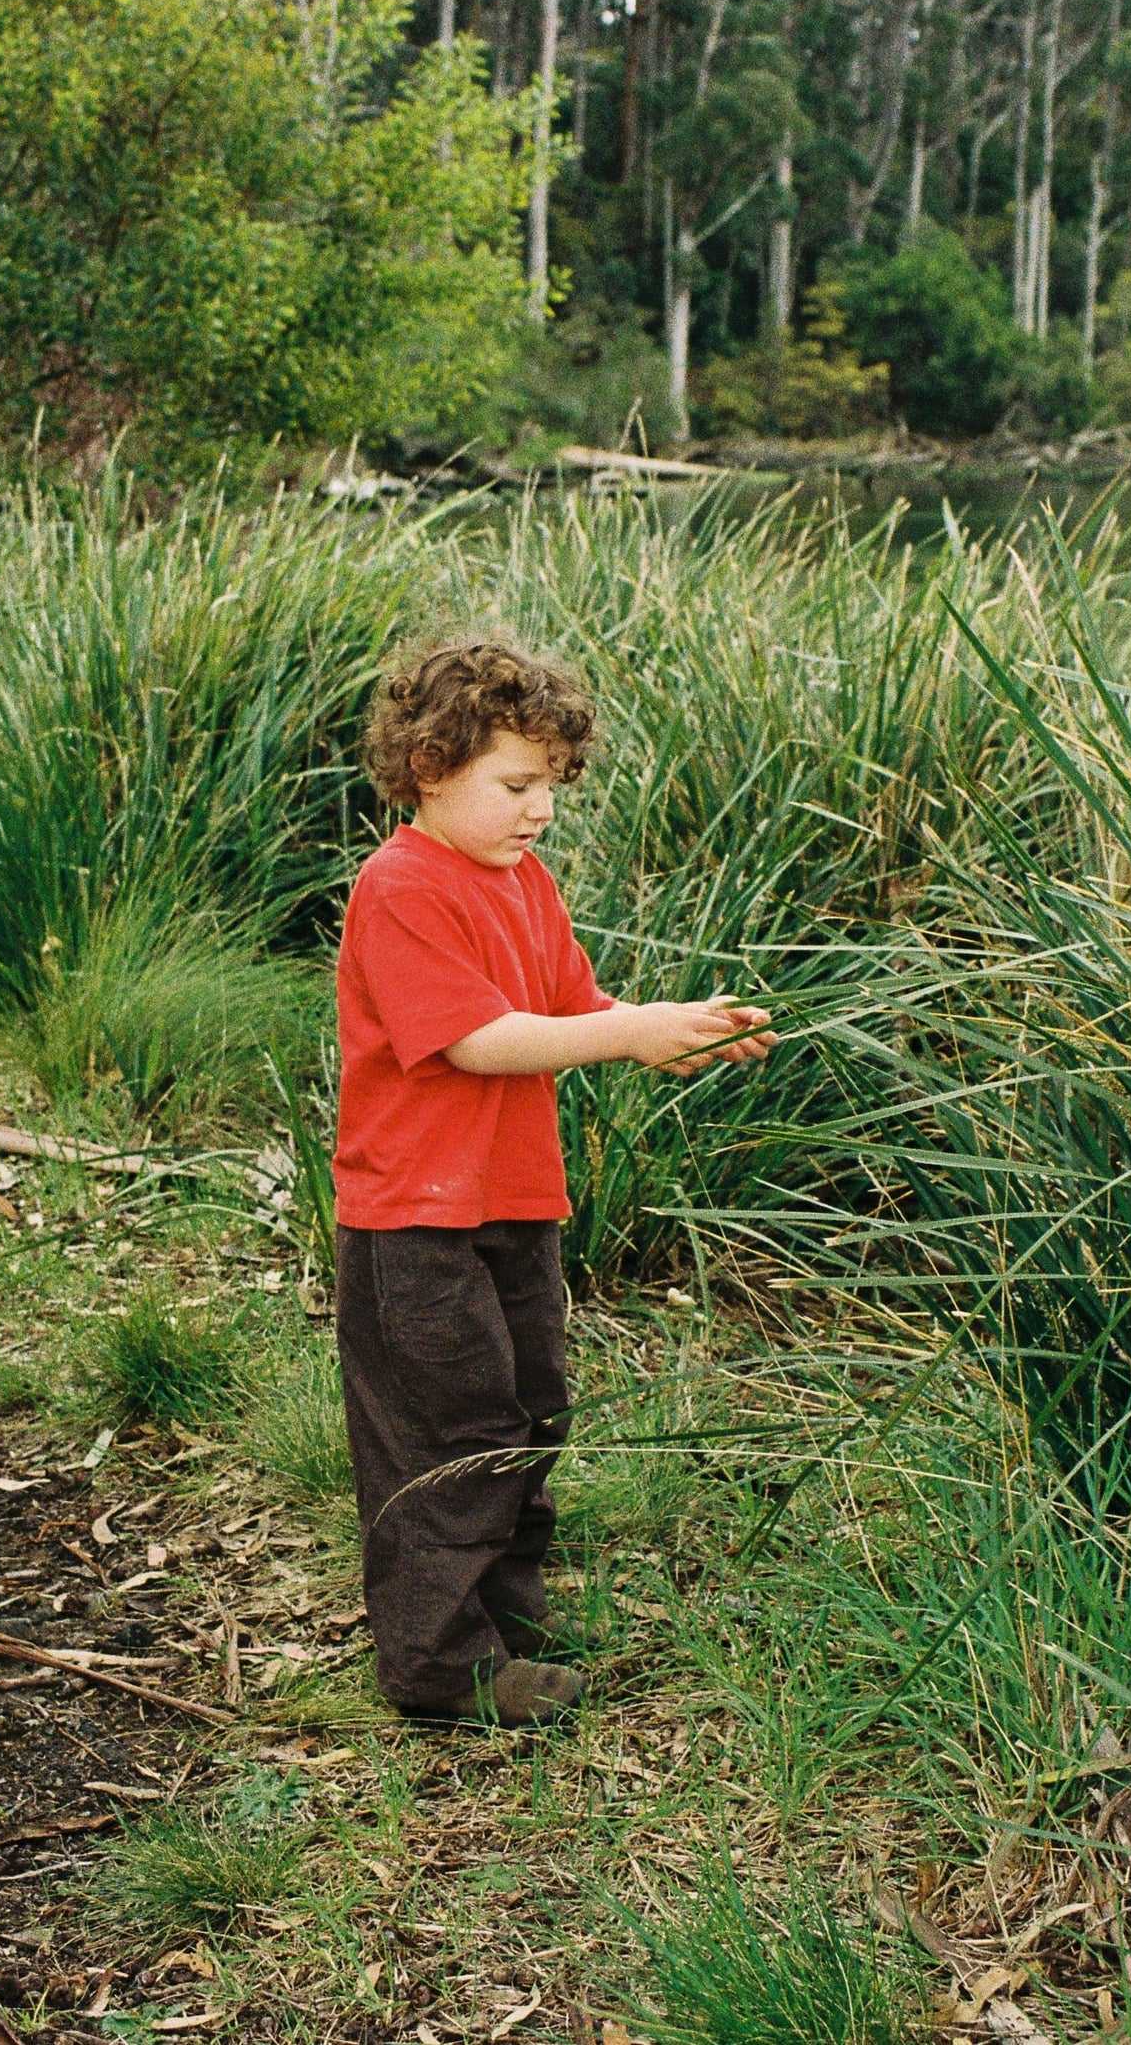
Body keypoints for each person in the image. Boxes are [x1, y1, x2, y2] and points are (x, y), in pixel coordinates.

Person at [332, 638, 776, 1727]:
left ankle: (501, 1618)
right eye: (515, 784)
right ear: (430, 766)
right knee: (449, 1424)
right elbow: (478, 1039)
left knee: (529, 1404)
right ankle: (438, 1669)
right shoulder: (400, 887)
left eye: (551, 787)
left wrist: (666, 1034)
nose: (539, 810)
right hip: (415, 1214)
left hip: (511, 1198)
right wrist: (622, 1034)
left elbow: (568, 1010)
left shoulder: (523, 878)